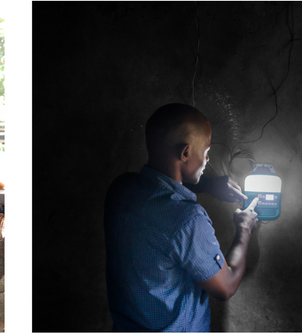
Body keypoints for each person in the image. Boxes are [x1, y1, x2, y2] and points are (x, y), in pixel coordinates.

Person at [104, 103, 261, 332]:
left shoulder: (120, 188)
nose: (207, 161)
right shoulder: (188, 220)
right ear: (185, 153)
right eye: (206, 153)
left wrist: (207, 184)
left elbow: (159, 191)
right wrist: (244, 230)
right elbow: (226, 286)